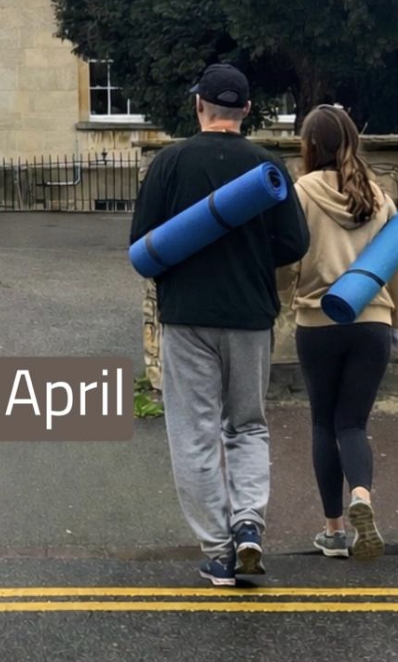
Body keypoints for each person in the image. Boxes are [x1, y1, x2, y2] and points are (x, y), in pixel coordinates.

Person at [130, 63, 309, 586]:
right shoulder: (267, 166)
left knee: (195, 434)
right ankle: (249, 523)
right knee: (248, 425)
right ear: (248, 111)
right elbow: (295, 244)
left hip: (187, 316)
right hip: (251, 316)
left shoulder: (170, 163)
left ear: (198, 105)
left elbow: (144, 245)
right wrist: (252, 257)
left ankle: (218, 551)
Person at [277, 105, 398, 562]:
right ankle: (363, 498)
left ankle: (334, 531)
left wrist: (280, 293)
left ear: (310, 146)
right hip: (372, 322)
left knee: (322, 422)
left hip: (319, 323)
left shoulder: (301, 193)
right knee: (352, 423)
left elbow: (288, 258)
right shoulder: (379, 197)